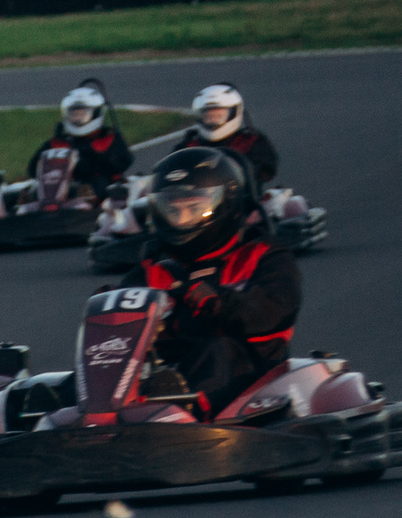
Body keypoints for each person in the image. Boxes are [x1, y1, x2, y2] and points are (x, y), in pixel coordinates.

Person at [120, 147, 301, 415]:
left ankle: (180, 410)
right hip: (166, 370)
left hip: (253, 378)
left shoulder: (264, 256)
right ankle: (64, 409)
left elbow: (275, 311)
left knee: (219, 350)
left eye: (193, 208)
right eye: (172, 209)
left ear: (225, 205)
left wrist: (221, 302)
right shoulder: (155, 269)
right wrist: (113, 309)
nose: (182, 220)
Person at [29, 78, 133, 193]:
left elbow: (124, 162)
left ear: (96, 113)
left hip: (102, 191)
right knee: (34, 189)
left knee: (99, 182)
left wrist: (97, 160)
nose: (78, 119)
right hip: (63, 191)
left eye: (82, 114)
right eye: (74, 114)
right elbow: (33, 169)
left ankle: (83, 196)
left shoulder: (108, 139)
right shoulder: (58, 143)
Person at [185, 82, 279, 187]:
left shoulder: (250, 141)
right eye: (208, 116)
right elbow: (171, 170)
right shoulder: (191, 144)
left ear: (234, 112)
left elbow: (267, 170)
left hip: (242, 198)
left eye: (219, 116)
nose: (213, 121)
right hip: (199, 198)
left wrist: (247, 170)